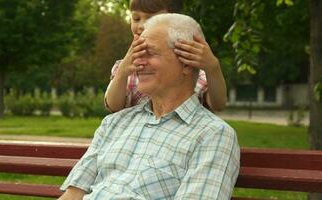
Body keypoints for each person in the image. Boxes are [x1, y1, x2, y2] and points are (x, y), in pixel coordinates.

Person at [58, 13, 240, 200]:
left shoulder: (212, 135)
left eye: (150, 53)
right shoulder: (113, 124)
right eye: (137, 53)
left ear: (186, 64)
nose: (138, 62)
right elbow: (73, 195)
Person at [105, 0, 227, 113]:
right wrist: (122, 73)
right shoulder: (125, 67)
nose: (141, 25)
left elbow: (218, 104)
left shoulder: (190, 65)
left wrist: (212, 67)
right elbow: (113, 106)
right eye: (136, 18)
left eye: (150, 19)